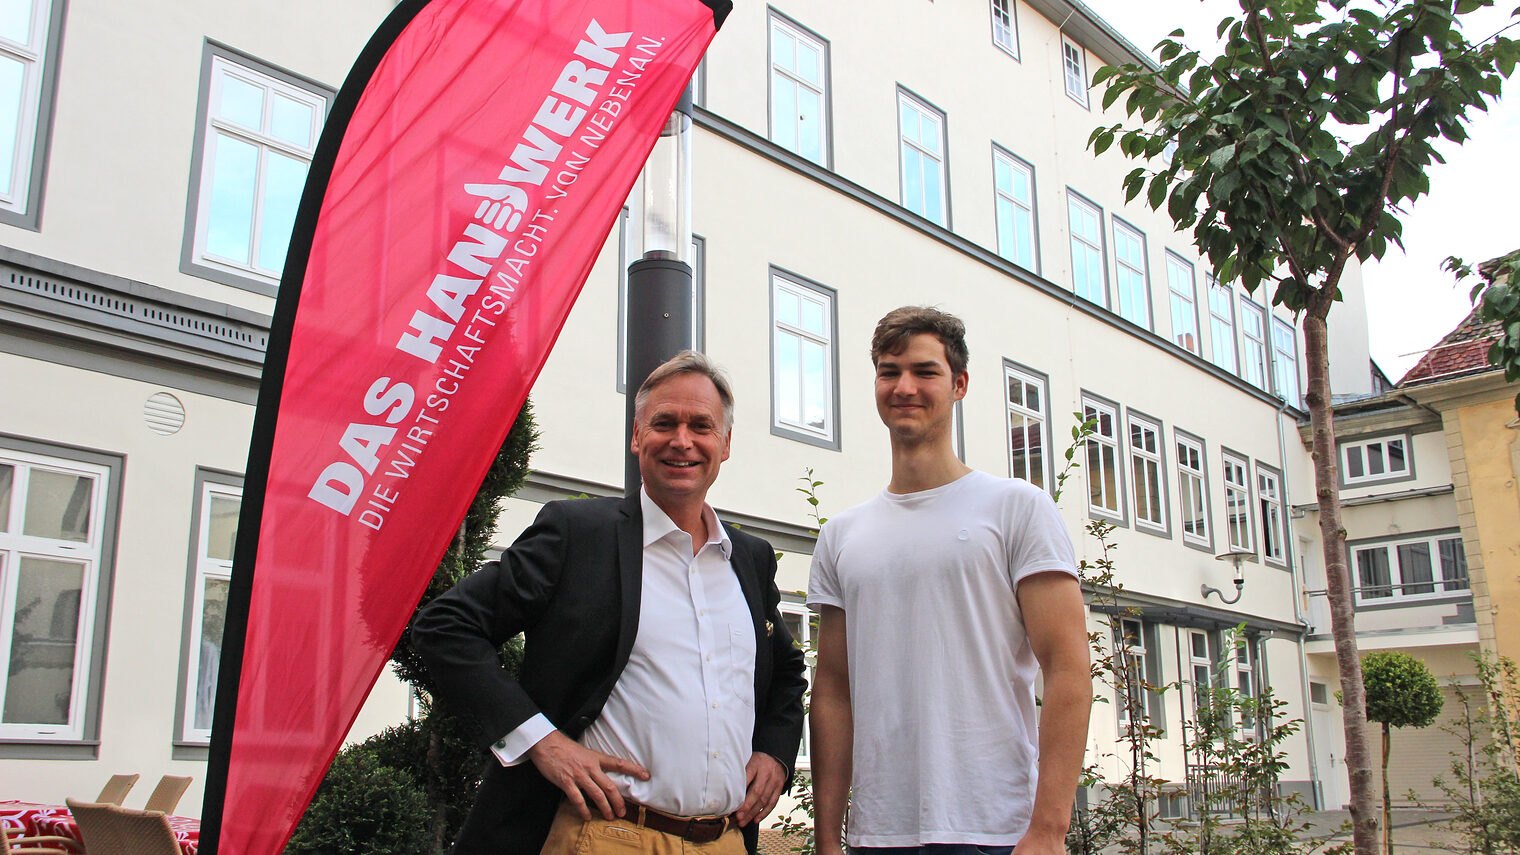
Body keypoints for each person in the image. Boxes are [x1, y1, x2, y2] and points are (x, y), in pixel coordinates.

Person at [413, 351, 808, 855]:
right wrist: (540, 740)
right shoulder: (578, 535)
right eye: (663, 423)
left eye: (701, 426)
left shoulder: (748, 559)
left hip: (725, 841)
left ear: (725, 444)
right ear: (637, 436)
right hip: (605, 836)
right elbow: (445, 625)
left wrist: (774, 751)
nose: (682, 440)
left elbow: (786, 673)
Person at [808, 307, 1092, 855]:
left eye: (924, 371)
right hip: (877, 835)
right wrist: (826, 837)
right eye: (889, 372)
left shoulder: (1016, 509)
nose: (904, 386)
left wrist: (1049, 830)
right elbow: (833, 691)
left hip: (997, 833)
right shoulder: (842, 535)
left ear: (959, 384)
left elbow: (1068, 668)